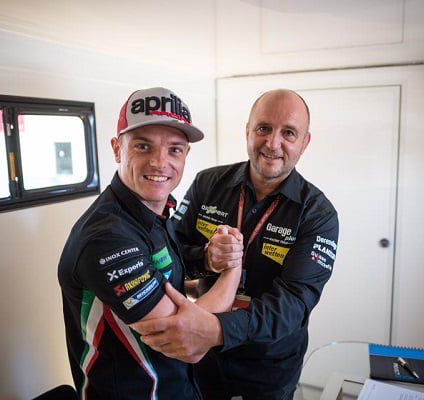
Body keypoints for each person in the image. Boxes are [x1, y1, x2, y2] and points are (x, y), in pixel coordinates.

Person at [130, 89, 339, 399]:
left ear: (304, 142)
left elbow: (294, 304)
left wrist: (218, 330)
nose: (273, 143)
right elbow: (168, 250)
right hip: (202, 359)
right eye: (264, 128)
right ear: (248, 131)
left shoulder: (318, 214)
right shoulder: (207, 183)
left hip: (267, 366)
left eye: (288, 133)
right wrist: (205, 257)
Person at [57, 87, 243, 400]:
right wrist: (233, 266)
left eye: (174, 149)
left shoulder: (155, 210)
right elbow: (188, 341)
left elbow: (164, 271)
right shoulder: (106, 238)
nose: (160, 162)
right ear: (117, 149)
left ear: (186, 155)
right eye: (143, 146)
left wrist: (208, 258)